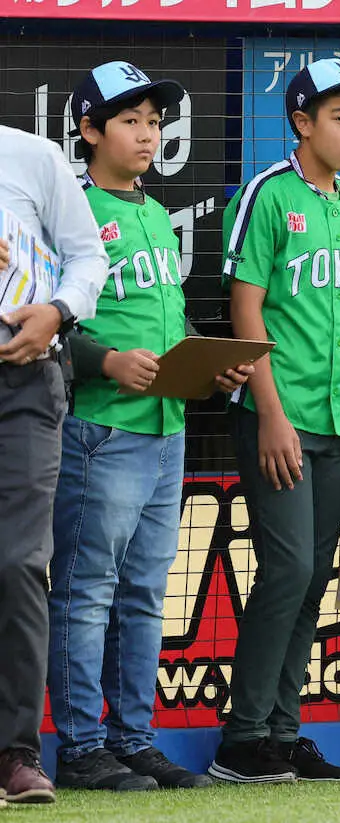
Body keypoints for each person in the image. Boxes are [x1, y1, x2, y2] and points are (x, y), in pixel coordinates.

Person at [46, 62, 253, 793]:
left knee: (142, 595)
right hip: (99, 428)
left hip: (166, 430)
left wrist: (209, 360)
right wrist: (105, 360)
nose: (147, 133)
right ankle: (80, 747)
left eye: (155, 122)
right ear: (89, 129)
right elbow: (37, 320)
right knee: (86, 594)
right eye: (130, 120)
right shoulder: (66, 208)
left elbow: (166, 317)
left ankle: (133, 740)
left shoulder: (156, 214)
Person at [209, 58, 340, 784]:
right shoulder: (266, 192)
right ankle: (242, 738)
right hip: (279, 417)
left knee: (314, 575)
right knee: (287, 567)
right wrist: (270, 414)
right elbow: (245, 308)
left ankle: (282, 734)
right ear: (301, 122)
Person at [0, 125, 109, 805]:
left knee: (18, 563)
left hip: (26, 382)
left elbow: (88, 257)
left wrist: (59, 311)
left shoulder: (32, 155)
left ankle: (15, 752)